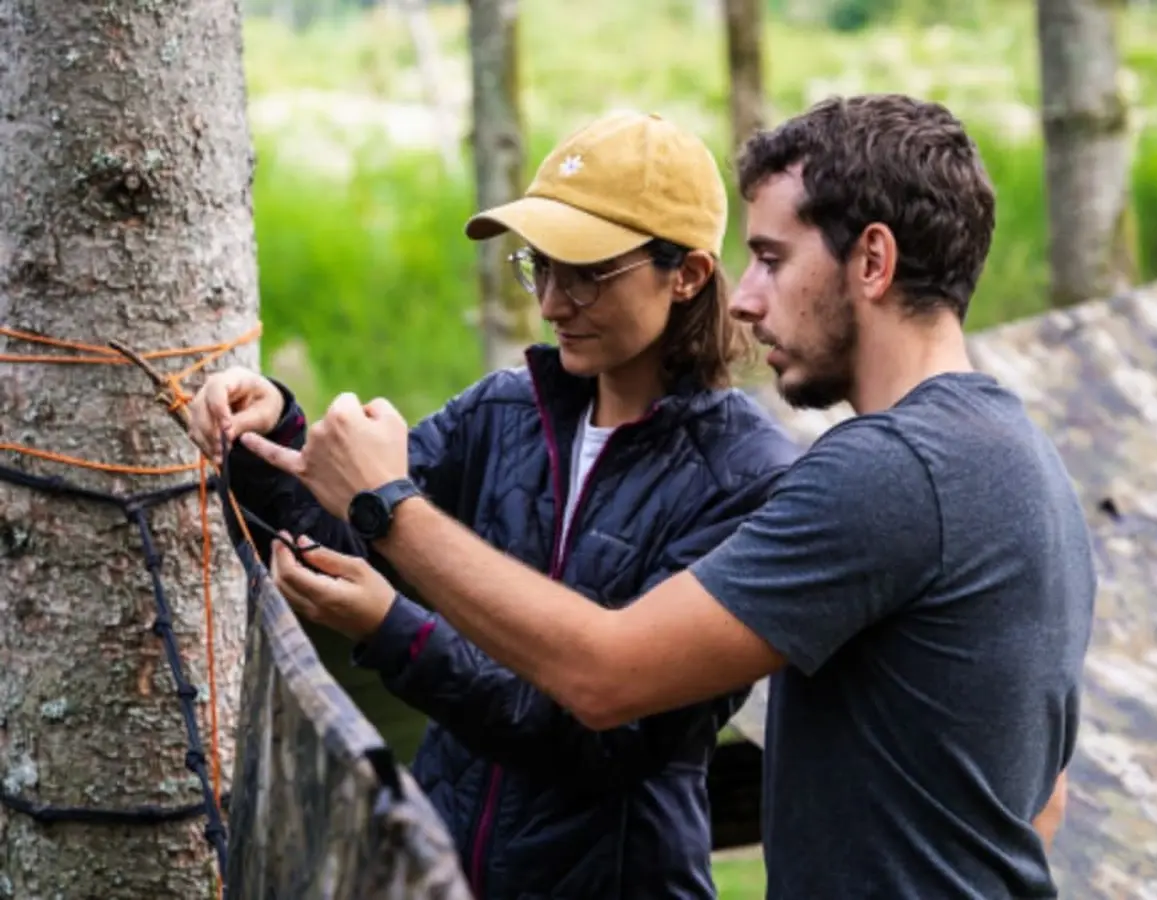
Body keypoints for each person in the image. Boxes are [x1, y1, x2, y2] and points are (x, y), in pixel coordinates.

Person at [243, 94, 1097, 899]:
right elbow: (1042, 798)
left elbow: (606, 679)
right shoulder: (1028, 466)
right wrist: (273, 433)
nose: (749, 299)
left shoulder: (883, 470)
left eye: (770, 260)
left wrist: (390, 510)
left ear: (872, 260)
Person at [188, 111, 800, 899]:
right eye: (538, 266)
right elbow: (355, 530)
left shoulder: (748, 479)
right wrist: (271, 430)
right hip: (441, 873)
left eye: (586, 273)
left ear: (685, 275)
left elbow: (602, 739)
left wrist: (393, 630)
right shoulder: (502, 412)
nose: (552, 302)